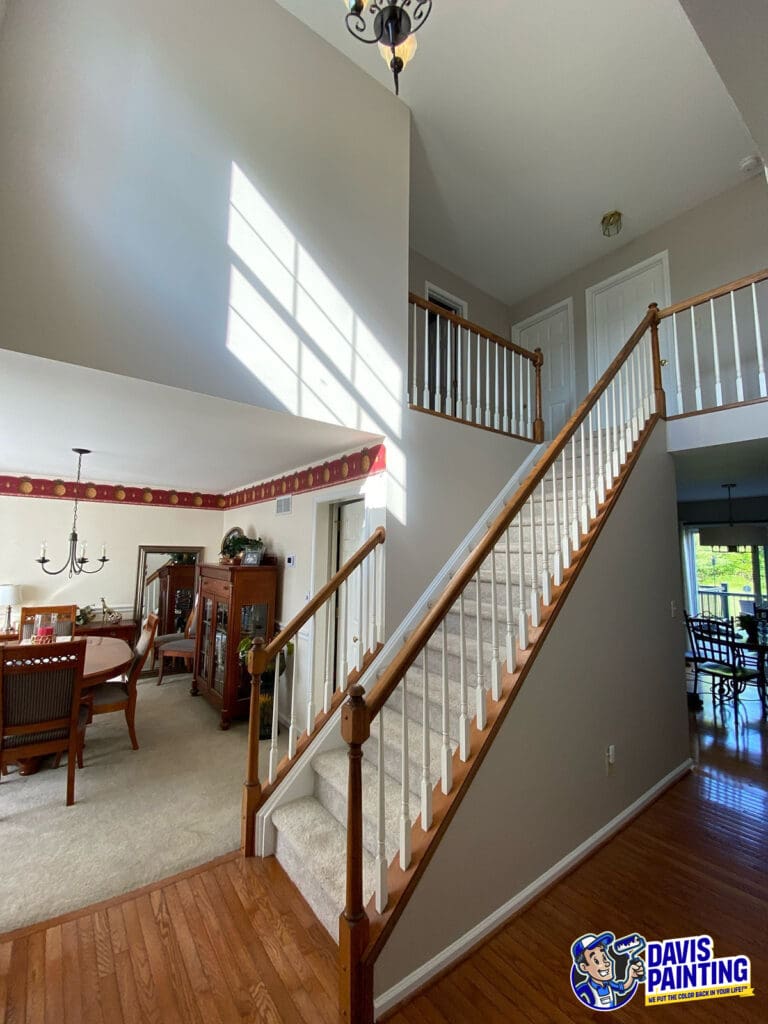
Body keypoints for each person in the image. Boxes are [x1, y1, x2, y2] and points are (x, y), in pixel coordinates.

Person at [571, 932, 644, 1010]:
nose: (607, 963)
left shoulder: (608, 984)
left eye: (604, 957)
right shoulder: (583, 990)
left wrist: (631, 976)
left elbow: (623, 986)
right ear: (584, 967)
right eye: (596, 960)